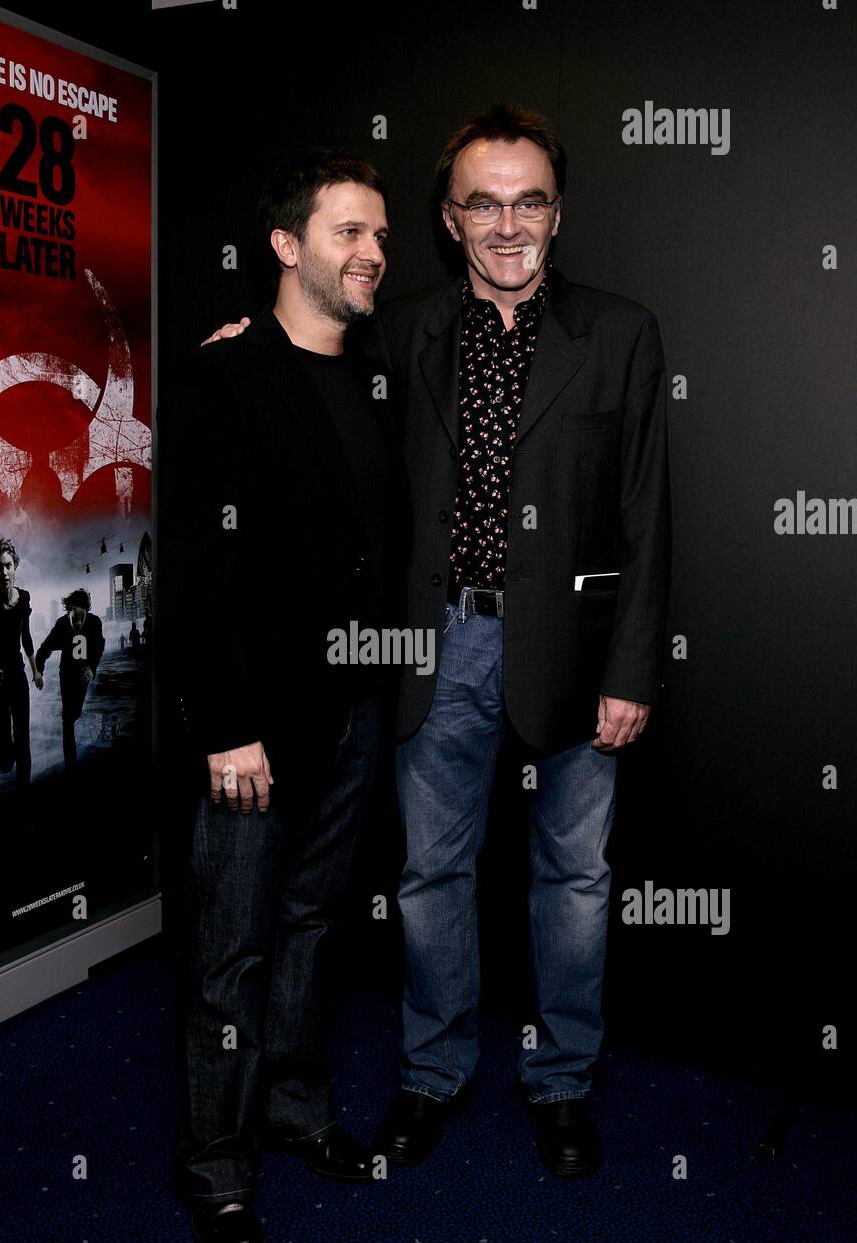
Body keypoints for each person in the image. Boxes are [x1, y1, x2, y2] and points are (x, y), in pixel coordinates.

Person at [210, 104, 671, 1179]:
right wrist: (246, 348)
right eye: (482, 202)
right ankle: (432, 1073)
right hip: (435, 648)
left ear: (555, 215)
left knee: (572, 880)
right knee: (430, 878)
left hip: (573, 653)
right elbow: (305, 354)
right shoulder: (402, 328)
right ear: (450, 217)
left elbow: (648, 512)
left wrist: (633, 667)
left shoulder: (622, 333)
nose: (506, 224)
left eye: (528, 202)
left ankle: (560, 1083)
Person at [160, 150, 405, 1243]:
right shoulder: (221, 377)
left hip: (353, 710)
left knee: (313, 927)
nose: (371, 254)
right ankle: (216, 1163)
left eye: (381, 237)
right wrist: (224, 725)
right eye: (350, 232)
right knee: (231, 951)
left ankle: (296, 1112)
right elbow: (194, 575)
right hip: (252, 726)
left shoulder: (376, 376)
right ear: (286, 244)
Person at [0, 537, 42, 791]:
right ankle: (6, 755)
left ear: (15, 567)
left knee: (23, 743)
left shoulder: (23, 599)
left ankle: (26, 803)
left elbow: (26, 639)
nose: (4, 572)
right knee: (5, 761)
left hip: (17, 679)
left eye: (8, 565)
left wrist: (35, 670)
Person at [35, 588, 105, 775]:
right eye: (75, 617)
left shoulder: (95, 623)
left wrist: (92, 668)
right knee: (68, 719)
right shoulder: (61, 626)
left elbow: (99, 646)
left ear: (87, 612)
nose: (79, 622)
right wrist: (39, 672)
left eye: (82, 617)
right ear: (68, 612)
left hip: (84, 672)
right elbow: (44, 649)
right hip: (67, 673)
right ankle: (70, 767)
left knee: (75, 713)